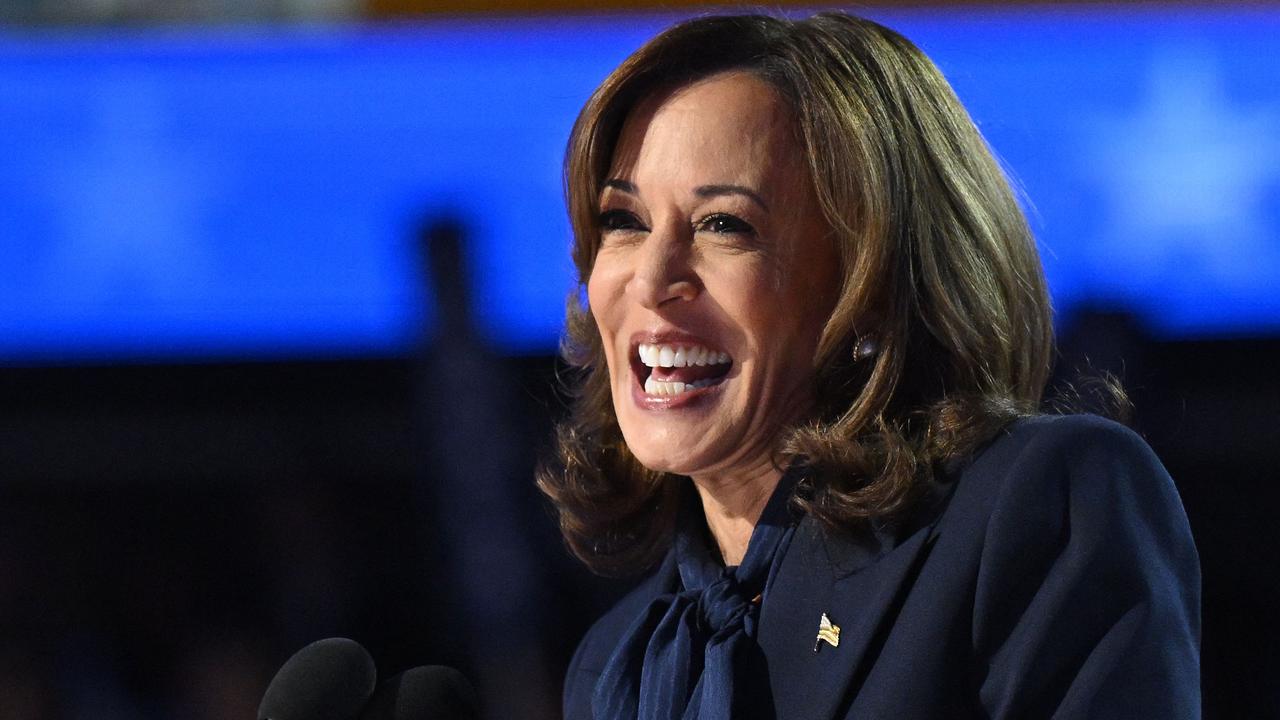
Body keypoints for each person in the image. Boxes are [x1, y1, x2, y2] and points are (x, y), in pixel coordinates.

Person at [537, 11, 1200, 720]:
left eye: (724, 225)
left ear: (874, 285)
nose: (650, 279)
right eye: (624, 222)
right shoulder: (618, 667)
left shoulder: (1041, 507)